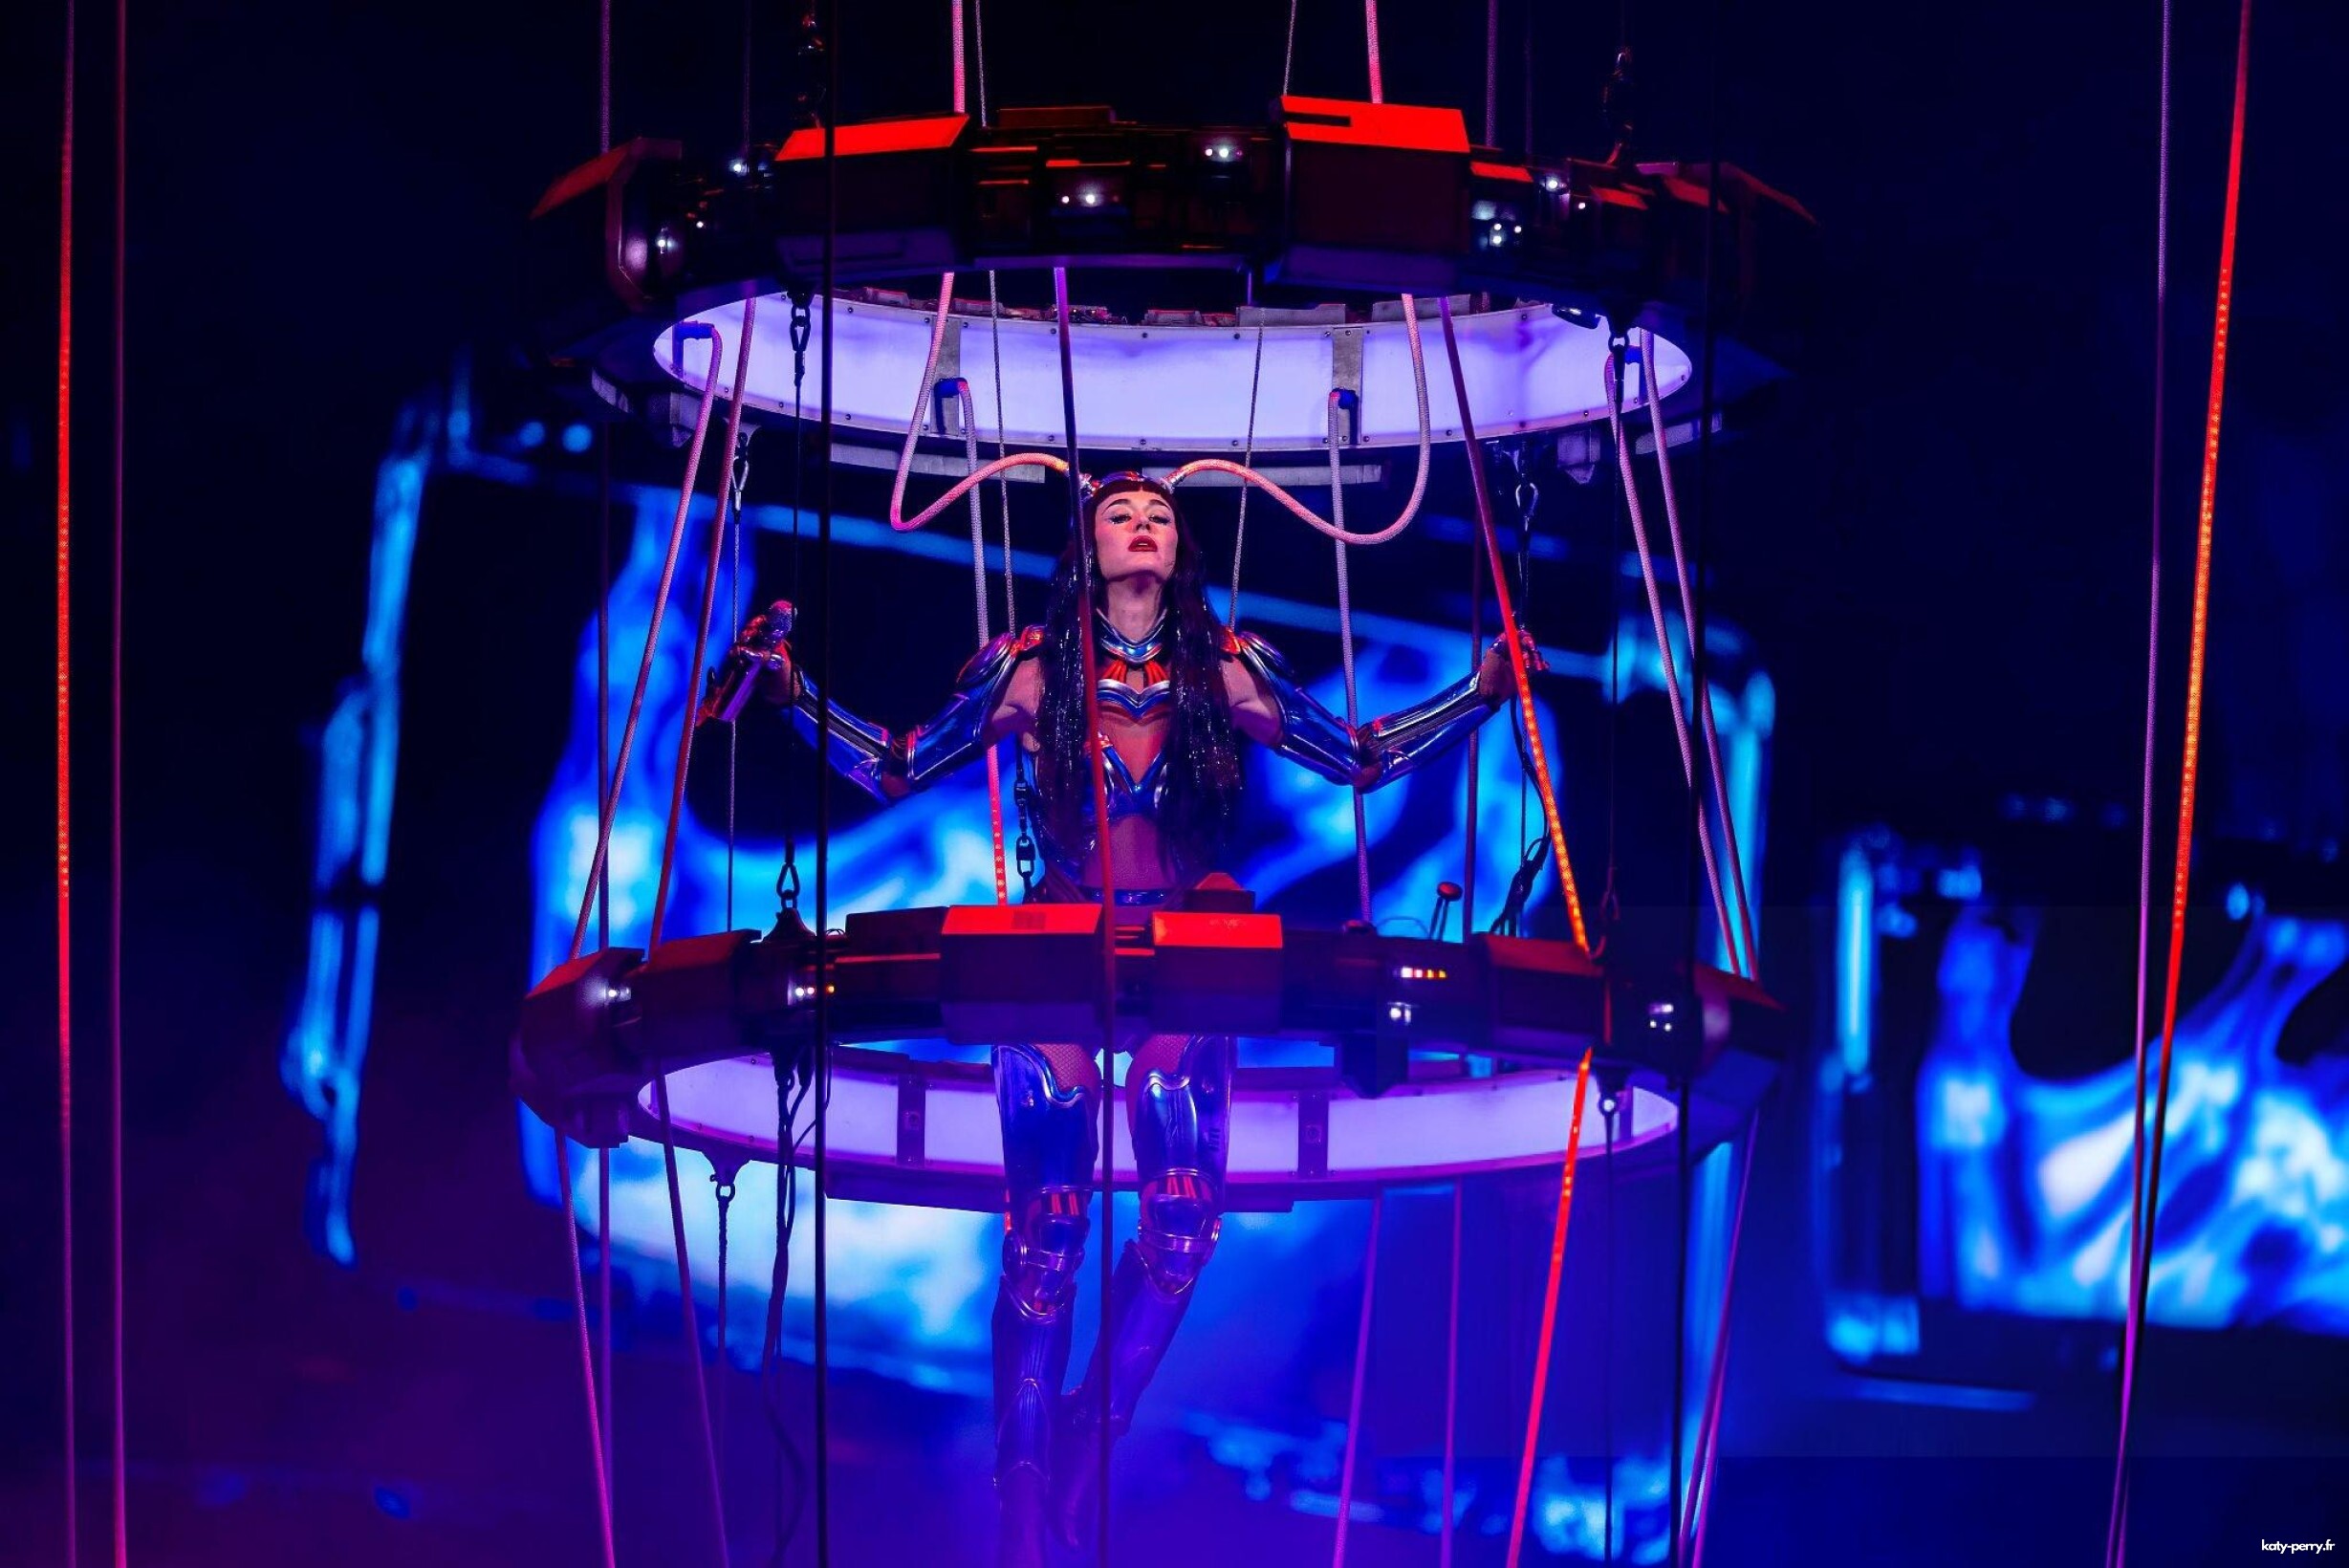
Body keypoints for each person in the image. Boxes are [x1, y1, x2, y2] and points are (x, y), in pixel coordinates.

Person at [725, 472, 1534, 1564]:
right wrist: (792, 696)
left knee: (1185, 1224)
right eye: (1120, 514)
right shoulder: (1030, 668)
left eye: (1159, 514)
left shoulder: (1227, 667)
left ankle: (1087, 1436)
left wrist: (1479, 694)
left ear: (1179, 546)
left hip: (1185, 948)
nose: (1143, 523)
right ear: (1088, 548)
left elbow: (1357, 758)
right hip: (1062, 939)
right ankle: (1020, 1483)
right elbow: (900, 766)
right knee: (1049, 1227)